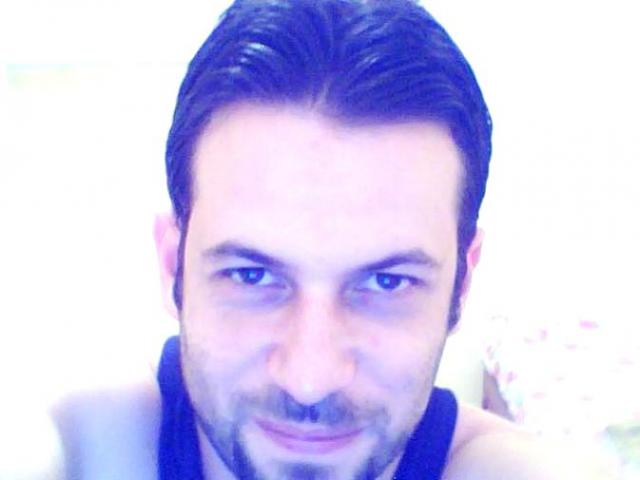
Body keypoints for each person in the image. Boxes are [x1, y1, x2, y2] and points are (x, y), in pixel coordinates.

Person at [52, 0, 605, 479]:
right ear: (173, 265)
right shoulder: (78, 448)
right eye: (251, 275)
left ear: (461, 285)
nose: (310, 380)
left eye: (387, 282)